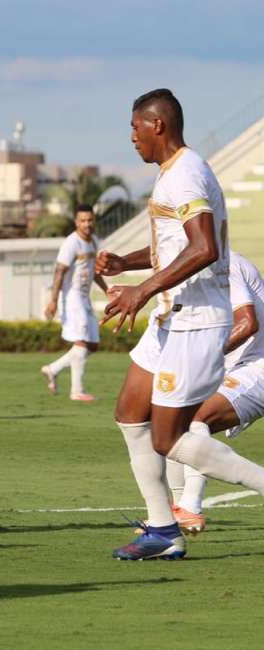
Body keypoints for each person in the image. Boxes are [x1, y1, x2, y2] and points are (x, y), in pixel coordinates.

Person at [98, 88, 231, 560]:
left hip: (196, 319)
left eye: (134, 127)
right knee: (130, 414)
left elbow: (204, 248)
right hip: (171, 316)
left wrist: (143, 289)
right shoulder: (171, 175)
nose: (130, 137)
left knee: (166, 438)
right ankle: (162, 530)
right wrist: (126, 265)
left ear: (157, 125)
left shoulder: (187, 174)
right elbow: (173, 249)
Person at [160, 251, 264, 533]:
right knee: (170, 422)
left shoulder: (224, 263)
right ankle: (176, 514)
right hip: (239, 368)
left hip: (258, 367)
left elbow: (248, 322)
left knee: (196, 419)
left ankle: (190, 506)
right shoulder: (199, 268)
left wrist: (205, 357)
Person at [41, 204, 109, 401]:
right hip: (71, 298)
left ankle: (53, 369)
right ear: (76, 222)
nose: (87, 224)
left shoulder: (94, 241)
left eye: (90, 220)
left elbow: (95, 270)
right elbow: (59, 271)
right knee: (81, 342)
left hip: (84, 298)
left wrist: (107, 290)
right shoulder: (71, 243)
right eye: (82, 221)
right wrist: (53, 301)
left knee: (92, 345)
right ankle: (77, 390)